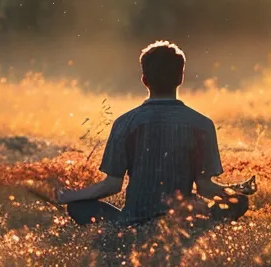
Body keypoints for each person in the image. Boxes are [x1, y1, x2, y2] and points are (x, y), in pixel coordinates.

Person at [25, 40, 256, 228]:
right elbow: (205, 188)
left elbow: (112, 186)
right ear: (181, 79)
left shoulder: (125, 123)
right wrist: (233, 193)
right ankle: (205, 224)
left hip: (132, 221)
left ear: (144, 80)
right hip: (180, 220)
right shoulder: (202, 124)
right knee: (239, 203)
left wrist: (72, 196)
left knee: (79, 207)